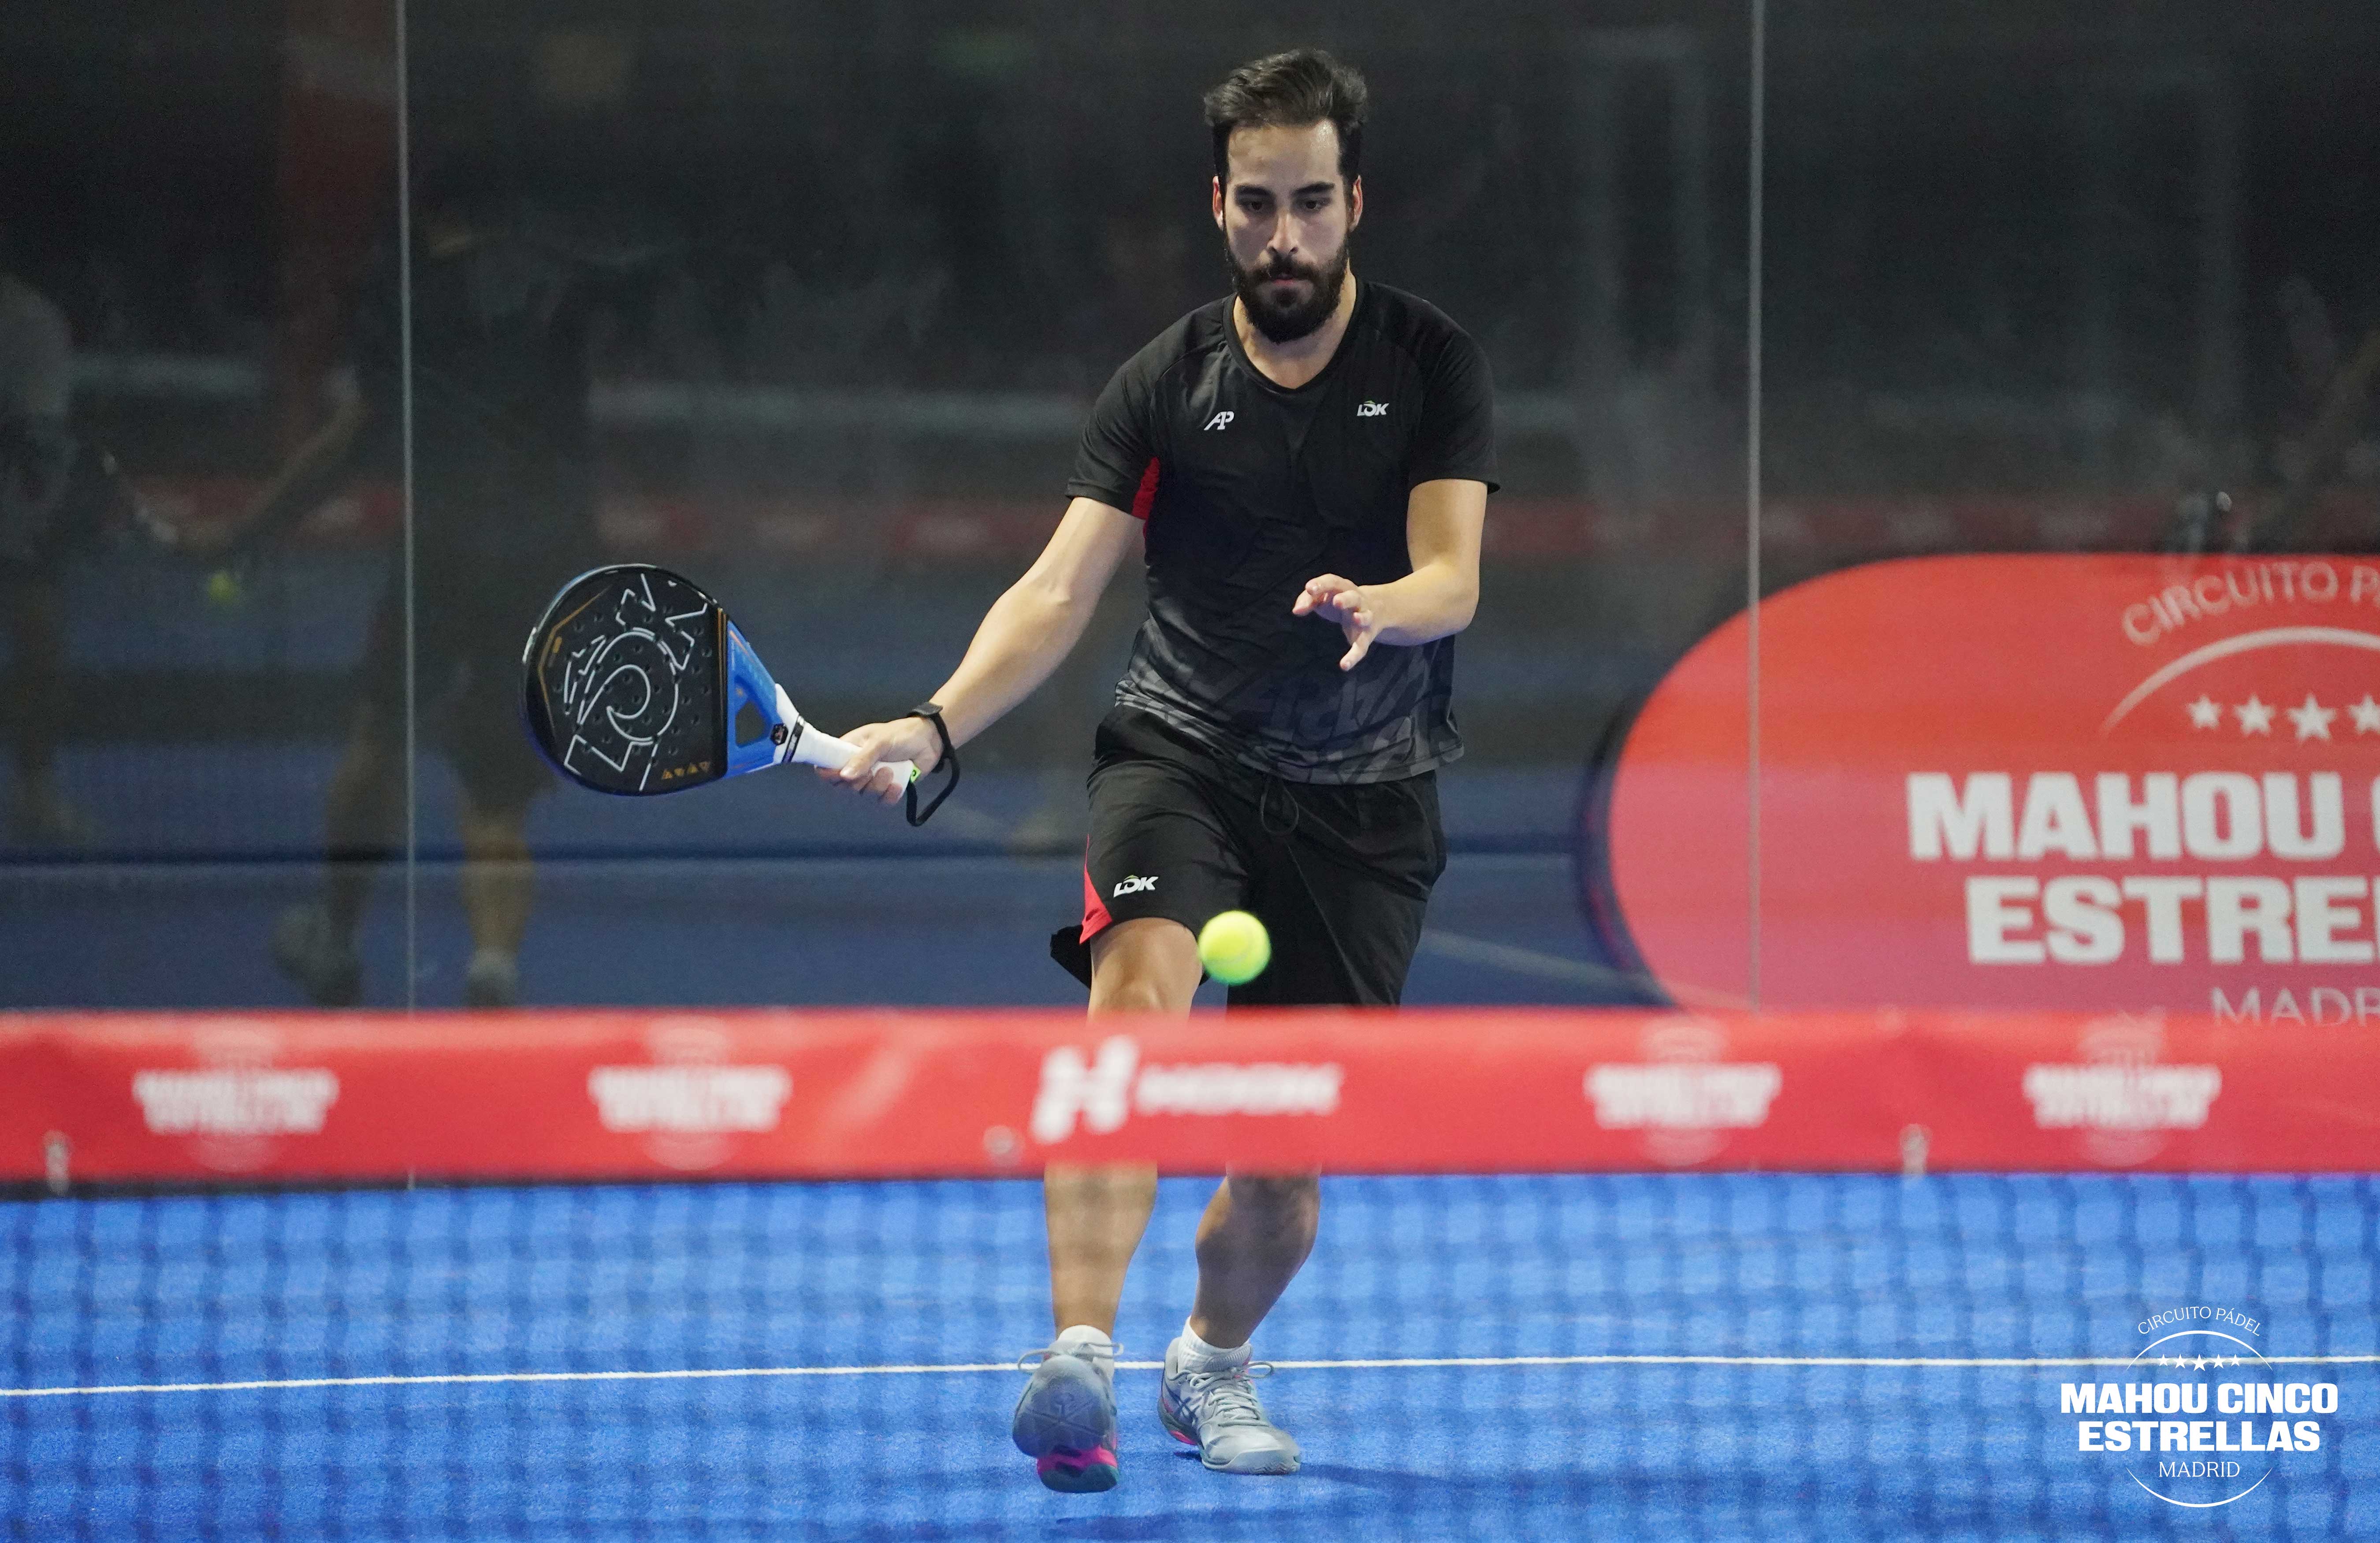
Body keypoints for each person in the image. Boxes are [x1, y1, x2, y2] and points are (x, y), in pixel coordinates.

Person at [826, 49, 1496, 1491]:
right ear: (1218, 205)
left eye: (1310, 202)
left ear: (1355, 202)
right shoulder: (1166, 384)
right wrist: (936, 724)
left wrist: (1385, 604)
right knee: (1130, 1011)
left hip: (1366, 798)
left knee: (1284, 1159)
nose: (1284, 235)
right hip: (1179, 757)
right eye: (1257, 204)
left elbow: (1455, 574)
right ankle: (1079, 1361)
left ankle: (1208, 1358)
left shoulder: (1428, 364)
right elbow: (1058, 590)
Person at [214, 179, 663, 1007]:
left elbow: (357, 435)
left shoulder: (409, 295)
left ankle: (337, 937)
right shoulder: (560, 281)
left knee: (379, 735)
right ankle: (492, 966)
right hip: (551, 558)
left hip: (446, 549)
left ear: (423, 214)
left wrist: (249, 529)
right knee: (499, 791)